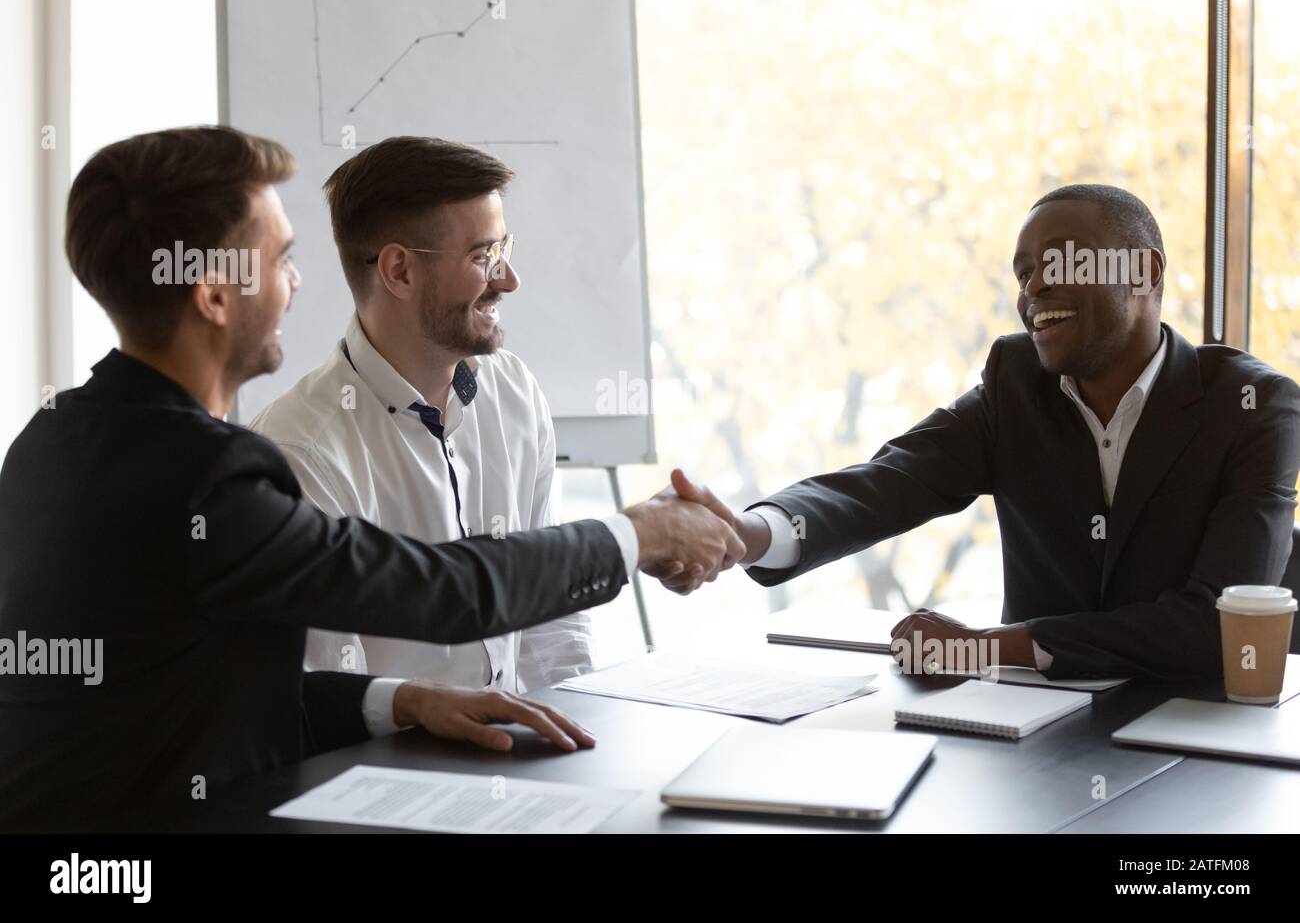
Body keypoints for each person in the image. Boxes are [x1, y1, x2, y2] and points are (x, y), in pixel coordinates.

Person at [0, 126, 743, 829]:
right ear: (215, 296)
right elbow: (447, 591)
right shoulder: (214, 476)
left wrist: (405, 702)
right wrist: (636, 535)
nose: (295, 284)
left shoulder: (51, 437)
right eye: (280, 260)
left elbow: (214, 695)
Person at [656, 185, 1300, 681]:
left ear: (1145, 272)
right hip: (1036, 739)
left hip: (1200, 743)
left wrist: (983, 649)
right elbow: (888, 482)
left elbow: (1222, 627)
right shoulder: (1016, 384)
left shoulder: (1254, 407)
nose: (1035, 287)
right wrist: (744, 534)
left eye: (1061, 261)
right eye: (1023, 272)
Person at [251, 138, 596, 717]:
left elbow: (551, 619)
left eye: (503, 248)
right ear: (400, 271)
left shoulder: (512, 390)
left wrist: (581, 735)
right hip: (395, 785)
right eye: (484, 254)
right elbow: (324, 697)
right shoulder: (298, 454)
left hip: (527, 763)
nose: (508, 279)